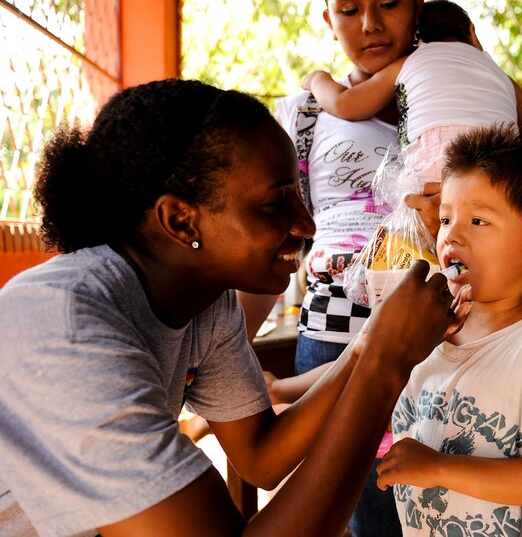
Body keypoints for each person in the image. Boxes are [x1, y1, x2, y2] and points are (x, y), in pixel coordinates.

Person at [0, 78, 470, 536]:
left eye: (300, 198)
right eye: (274, 204)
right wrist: (386, 362)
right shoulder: (63, 328)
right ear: (181, 221)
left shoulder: (208, 304)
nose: (305, 225)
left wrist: (368, 345)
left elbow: (261, 457)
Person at [238, 0, 432, 535]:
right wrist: (221, 345)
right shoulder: (304, 116)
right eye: (349, 9)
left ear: (416, 5)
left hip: (445, 336)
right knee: (364, 512)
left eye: (388, 3)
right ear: (329, 19)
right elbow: (276, 240)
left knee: (448, 504)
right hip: (332, 338)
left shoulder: (450, 98)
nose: (370, 24)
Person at [376, 124, 522, 536]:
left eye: (479, 220)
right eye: (446, 218)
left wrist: (438, 467)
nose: (452, 235)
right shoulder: (431, 326)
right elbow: (369, 363)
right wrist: (286, 390)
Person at [302, 0, 522, 185]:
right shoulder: (505, 80)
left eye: (388, 4)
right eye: (350, 9)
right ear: (473, 34)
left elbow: (346, 104)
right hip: (502, 174)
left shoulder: (412, 61)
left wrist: (317, 79)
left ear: (417, 37)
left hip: (433, 164)